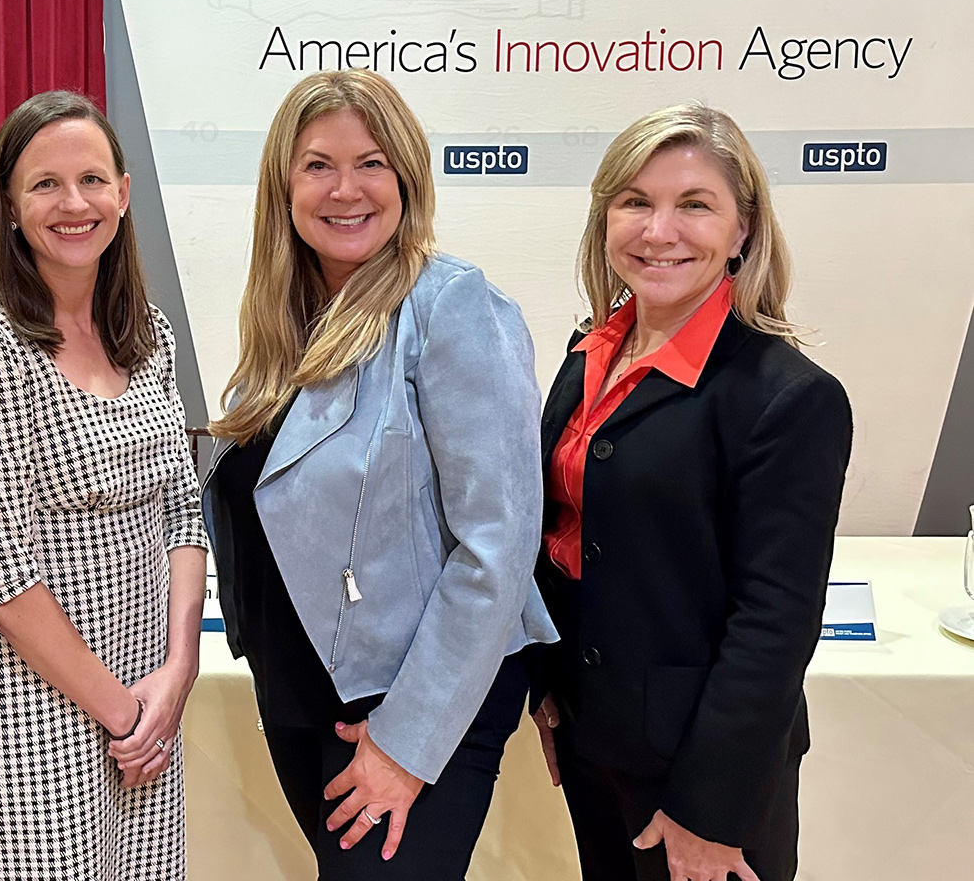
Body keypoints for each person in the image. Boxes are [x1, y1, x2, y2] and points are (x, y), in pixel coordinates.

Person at [200, 68, 557, 879]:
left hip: (407, 702)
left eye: (372, 162)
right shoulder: (283, 323)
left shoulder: (453, 305)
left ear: (408, 175)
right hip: (306, 698)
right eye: (318, 165)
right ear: (283, 188)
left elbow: (497, 548)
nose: (346, 189)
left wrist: (406, 741)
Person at [529, 103, 853, 881]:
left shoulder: (788, 398)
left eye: (695, 205)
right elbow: (564, 532)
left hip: (702, 775)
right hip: (591, 732)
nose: (658, 230)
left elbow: (774, 626)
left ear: (743, 230)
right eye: (636, 202)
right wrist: (548, 685)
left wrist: (710, 810)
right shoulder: (589, 354)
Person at [0, 90, 208, 880]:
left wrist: (176, 671)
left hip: (151, 693)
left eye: (91, 179)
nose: (73, 203)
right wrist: (124, 715)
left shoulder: (148, 331)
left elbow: (183, 508)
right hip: (37, 713)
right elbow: (3, 576)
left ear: (123, 192)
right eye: (45, 184)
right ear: (11, 208)